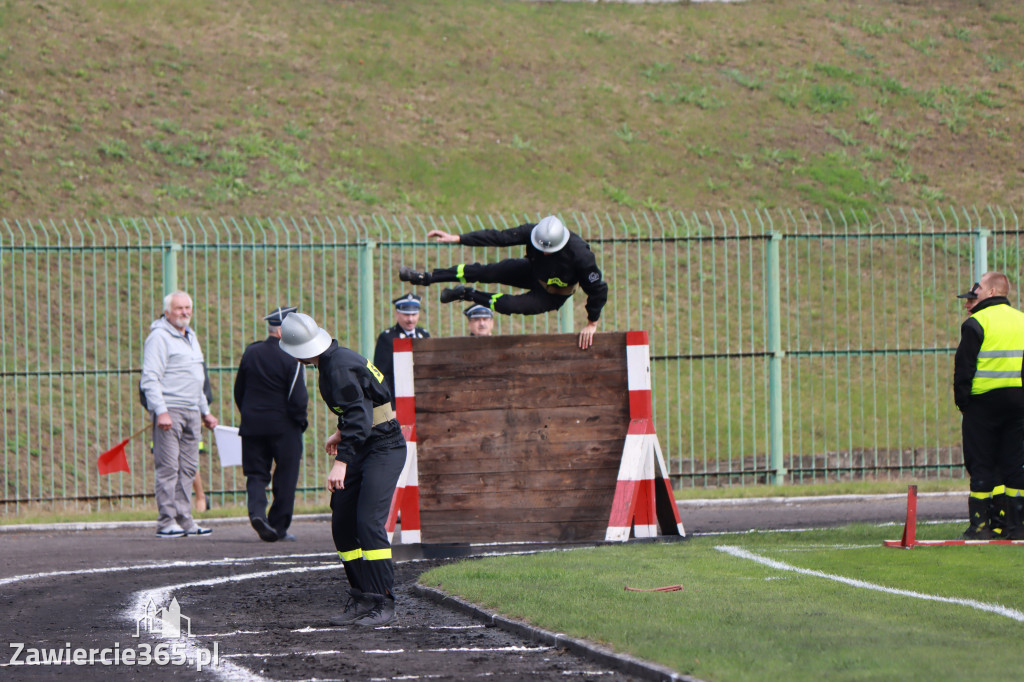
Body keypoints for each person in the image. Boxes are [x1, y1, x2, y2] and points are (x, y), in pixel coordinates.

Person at [278, 312, 406, 627]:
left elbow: (360, 415)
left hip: (383, 447)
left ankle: (383, 601)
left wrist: (341, 462)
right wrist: (341, 431)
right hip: (365, 442)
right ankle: (362, 597)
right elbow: (363, 404)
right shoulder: (333, 360)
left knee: (368, 523)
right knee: (344, 523)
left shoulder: (336, 368)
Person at [399, 215, 607, 349]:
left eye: (548, 250)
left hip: (552, 294)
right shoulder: (532, 232)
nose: (544, 252)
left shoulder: (580, 255)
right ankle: (426, 277)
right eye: (540, 247)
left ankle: (466, 294)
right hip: (532, 272)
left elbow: (598, 290)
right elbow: (498, 238)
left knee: (509, 305)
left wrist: (592, 323)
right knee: (486, 271)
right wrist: (459, 238)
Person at [140, 291, 218, 538]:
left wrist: (205, 411)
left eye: (188, 308)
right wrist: (161, 411)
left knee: (188, 467)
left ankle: (185, 519)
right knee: (168, 467)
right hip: (170, 412)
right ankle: (166, 521)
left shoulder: (190, 336)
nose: (184, 312)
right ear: (167, 312)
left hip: (193, 411)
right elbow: (150, 378)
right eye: (179, 308)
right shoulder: (158, 338)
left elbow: (197, 379)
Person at [953, 272, 1024, 540]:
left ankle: (981, 526)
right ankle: (1015, 524)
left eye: (979, 288)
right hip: (1017, 402)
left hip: (982, 403)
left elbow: (964, 369)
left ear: (992, 292)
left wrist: (964, 403)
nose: (974, 292)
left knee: (982, 462)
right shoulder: (1022, 320)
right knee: (1014, 464)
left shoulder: (976, 323)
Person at [234, 306, 309, 543]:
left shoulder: (251, 352)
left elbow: (239, 390)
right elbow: (298, 398)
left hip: (252, 425)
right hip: (284, 426)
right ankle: (278, 525)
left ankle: (257, 514)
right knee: (286, 476)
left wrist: (248, 414)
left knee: (256, 474)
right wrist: (300, 422)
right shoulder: (293, 357)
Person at [373, 293, 429, 403]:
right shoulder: (387, 338)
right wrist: (391, 405)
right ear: (397, 314)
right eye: (406, 315)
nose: (411, 319)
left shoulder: (424, 335)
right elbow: (382, 376)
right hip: (398, 399)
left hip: (422, 398)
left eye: (414, 314)